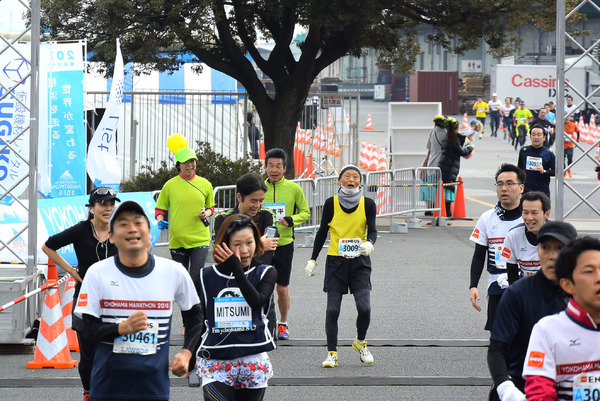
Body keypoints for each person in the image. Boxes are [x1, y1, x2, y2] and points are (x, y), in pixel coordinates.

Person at [74, 200, 202, 401]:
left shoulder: (173, 271)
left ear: (150, 232)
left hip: (153, 389)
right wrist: (121, 329)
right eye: (123, 224)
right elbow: (85, 329)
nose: (132, 229)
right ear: (112, 237)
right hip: (107, 388)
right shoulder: (97, 273)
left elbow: (195, 315)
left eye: (138, 222)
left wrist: (187, 354)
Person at [41, 187, 120, 401]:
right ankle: (88, 392)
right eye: (103, 204)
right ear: (92, 208)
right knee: (88, 354)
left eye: (112, 204)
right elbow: (48, 246)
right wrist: (71, 271)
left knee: (116, 350)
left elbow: (139, 250)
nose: (108, 208)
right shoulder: (81, 230)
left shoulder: (119, 229)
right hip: (86, 299)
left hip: (115, 300)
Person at [487, 221, 577, 401]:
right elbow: (497, 348)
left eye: (560, 248)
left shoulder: (586, 292)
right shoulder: (517, 293)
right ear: (538, 251)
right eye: (546, 248)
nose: (552, 256)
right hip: (524, 384)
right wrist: (504, 386)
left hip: (575, 384)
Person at [195, 214, 277, 400]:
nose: (245, 250)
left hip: (253, 359)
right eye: (237, 245)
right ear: (224, 245)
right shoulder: (206, 275)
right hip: (216, 360)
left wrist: (237, 271)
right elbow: (201, 321)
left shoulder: (266, 272)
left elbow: (256, 302)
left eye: (249, 242)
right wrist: (191, 355)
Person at [304, 164, 377, 368]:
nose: (351, 179)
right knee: (333, 310)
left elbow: (373, 230)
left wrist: (370, 244)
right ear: (339, 180)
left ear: (360, 181)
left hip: (360, 261)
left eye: (355, 176)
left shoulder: (368, 204)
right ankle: (332, 353)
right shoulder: (331, 203)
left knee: (364, 307)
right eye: (347, 176)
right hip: (336, 261)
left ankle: (360, 342)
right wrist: (313, 259)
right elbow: (321, 232)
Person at [523, 236, 600, 401]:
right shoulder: (547, 330)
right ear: (567, 285)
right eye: (589, 271)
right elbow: (539, 395)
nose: (599, 278)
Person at [212, 173, 279, 340]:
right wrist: (259, 244)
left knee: (265, 339)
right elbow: (219, 251)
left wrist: (239, 251)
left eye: (261, 200)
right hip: (228, 282)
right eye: (253, 201)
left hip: (259, 278)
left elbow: (269, 246)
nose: (258, 205)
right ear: (239, 197)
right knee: (229, 336)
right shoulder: (222, 218)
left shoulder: (267, 215)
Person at [469, 163, 525, 330]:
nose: (504, 188)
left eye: (509, 183)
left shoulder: (529, 216)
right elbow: (479, 254)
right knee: (498, 336)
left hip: (526, 280)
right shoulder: (487, 218)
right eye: (500, 184)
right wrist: (473, 285)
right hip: (497, 281)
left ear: (521, 187)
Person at [263, 148, 310, 340]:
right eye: (271, 166)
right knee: (260, 286)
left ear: (285, 168)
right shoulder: (260, 187)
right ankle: (262, 322)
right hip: (262, 245)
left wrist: (292, 220)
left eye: (278, 166)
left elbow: (306, 212)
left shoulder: (294, 189)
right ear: (265, 167)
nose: (274, 170)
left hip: (284, 244)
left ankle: (283, 323)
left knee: (281, 288)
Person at [155, 146, 215, 291]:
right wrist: (160, 219)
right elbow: (159, 209)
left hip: (199, 239)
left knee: (195, 278)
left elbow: (211, 208)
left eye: (192, 161)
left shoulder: (205, 184)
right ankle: (186, 313)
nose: (190, 164)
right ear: (178, 165)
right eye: (185, 162)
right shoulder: (169, 185)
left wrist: (205, 214)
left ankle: (199, 312)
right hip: (178, 240)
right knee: (181, 281)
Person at [502, 191, 551, 285]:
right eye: (525, 213)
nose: (529, 218)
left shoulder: (559, 236)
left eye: (534, 213)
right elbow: (512, 273)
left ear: (546, 214)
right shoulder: (513, 235)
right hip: (527, 288)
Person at [438, 116, 474, 217]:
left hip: (444, 165)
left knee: (445, 187)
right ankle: (447, 212)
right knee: (448, 188)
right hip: (450, 166)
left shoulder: (447, 137)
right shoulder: (454, 138)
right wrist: (470, 148)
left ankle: (445, 211)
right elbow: (461, 151)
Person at [517, 125, 556, 197]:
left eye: (539, 135)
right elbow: (519, 170)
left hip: (542, 192)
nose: (536, 137)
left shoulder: (548, 153)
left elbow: (557, 171)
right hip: (526, 192)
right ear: (530, 137)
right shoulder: (524, 151)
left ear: (544, 137)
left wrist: (544, 171)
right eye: (533, 135)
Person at [423, 115, 448, 215]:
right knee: (442, 187)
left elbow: (429, 147)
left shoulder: (432, 132)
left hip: (431, 163)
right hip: (442, 164)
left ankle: (429, 208)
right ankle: (441, 207)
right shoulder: (447, 134)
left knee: (430, 187)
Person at [563, 114, 580, 179]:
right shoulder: (561, 124)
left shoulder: (573, 124)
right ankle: (564, 172)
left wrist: (577, 140)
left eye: (568, 117)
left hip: (570, 144)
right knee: (562, 158)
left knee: (570, 157)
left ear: (570, 118)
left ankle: (569, 169)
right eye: (565, 117)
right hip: (562, 145)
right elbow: (556, 132)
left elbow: (578, 131)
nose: (566, 118)